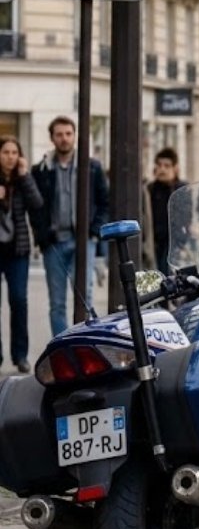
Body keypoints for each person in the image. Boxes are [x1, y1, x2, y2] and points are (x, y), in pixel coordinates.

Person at [30, 116, 109, 336]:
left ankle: (84, 346)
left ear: (74, 136)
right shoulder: (42, 169)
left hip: (83, 241)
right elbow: (35, 208)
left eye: (68, 134)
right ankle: (62, 351)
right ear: (52, 138)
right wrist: (42, 237)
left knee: (85, 297)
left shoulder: (91, 167)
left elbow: (105, 201)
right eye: (59, 134)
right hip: (54, 244)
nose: (64, 139)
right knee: (57, 303)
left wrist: (94, 232)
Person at [0, 136, 43, 372]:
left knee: (19, 301)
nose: (10, 157)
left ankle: (20, 356)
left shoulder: (22, 180)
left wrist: (25, 175)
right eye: (5, 152)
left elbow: (37, 204)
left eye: (14, 153)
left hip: (18, 250)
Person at [147, 147, 186, 274]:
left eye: (167, 166)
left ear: (175, 168)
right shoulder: (150, 189)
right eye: (159, 165)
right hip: (155, 241)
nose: (162, 169)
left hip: (176, 242)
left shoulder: (182, 189)